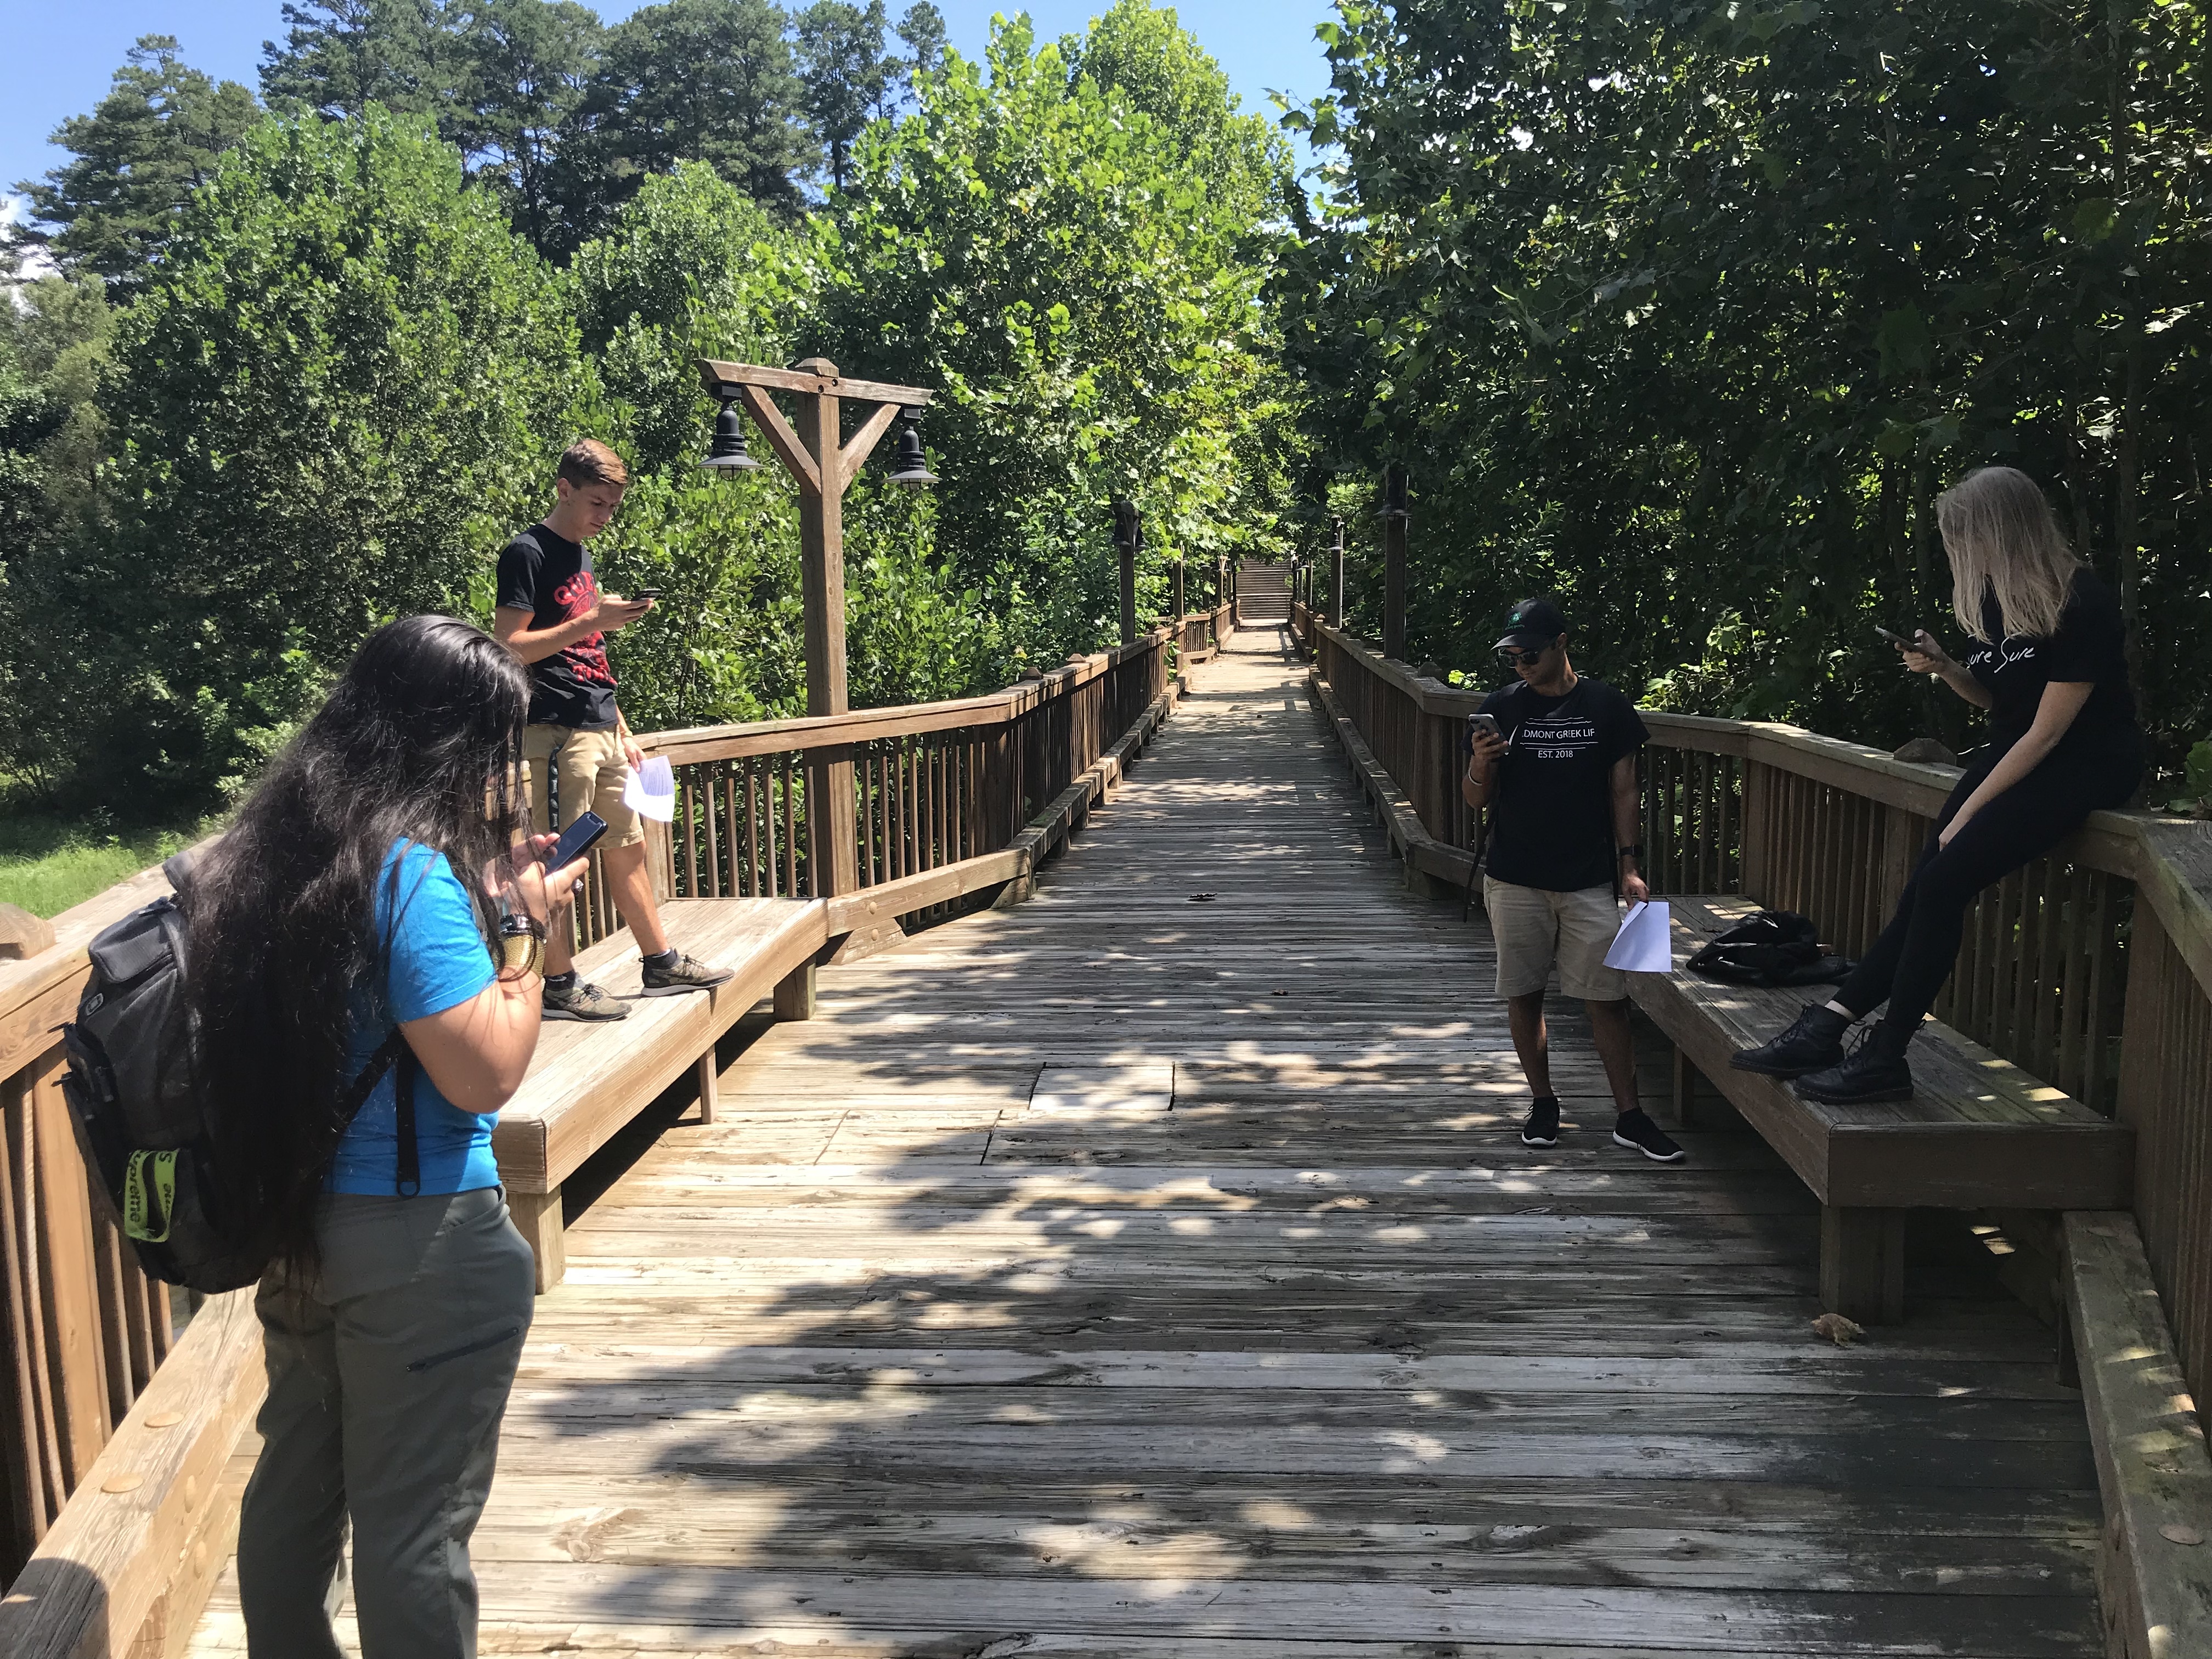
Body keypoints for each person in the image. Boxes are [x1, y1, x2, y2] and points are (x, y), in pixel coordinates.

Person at [188, 616, 592, 1657]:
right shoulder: (408, 875)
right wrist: (525, 929)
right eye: (496, 744)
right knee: (415, 1527)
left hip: (299, 1226)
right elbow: (485, 1070)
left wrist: (488, 894)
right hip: (418, 1240)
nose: (504, 770)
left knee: (296, 1489)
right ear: (450, 742)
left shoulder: (272, 853)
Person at [1732, 466, 2144, 1102]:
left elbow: (2048, 734)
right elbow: (2002, 704)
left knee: (1946, 878)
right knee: (1928, 886)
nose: (1960, 550)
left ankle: (1885, 1055)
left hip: (2085, 763)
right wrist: (1948, 668)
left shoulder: (2081, 602)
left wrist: (1967, 813)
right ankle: (1830, 1026)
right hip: (2018, 754)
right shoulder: (2000, 603)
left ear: (1999, 531)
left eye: (1964, 536)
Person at [494, 439, 731, 1019]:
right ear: (564, 489)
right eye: (596, 503)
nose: (605, 516)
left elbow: (589, 652)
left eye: (613, 507)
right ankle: (558, 983)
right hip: (552, 733)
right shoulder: (526, 552)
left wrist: (622, 727)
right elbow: (508, 648)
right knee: (559, 862)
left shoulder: (582, 556)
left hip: (601, 726)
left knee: (629, 849)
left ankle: (659, 962)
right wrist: (593, 618)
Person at [1463, 598, 1684, 1163]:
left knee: (1607, 999)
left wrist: (1630, 865)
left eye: (1529, 654)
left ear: (1561, 644)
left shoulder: (1606, 705)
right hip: (1515, 876)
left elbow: (1624, 790)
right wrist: (1481, 763)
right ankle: (1543, 1103)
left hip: (1588, 878)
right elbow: (1474, 799)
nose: (1521, 665)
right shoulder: (1501, 707)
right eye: (1512, 657)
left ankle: (1630, 1116)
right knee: (1524, 994)